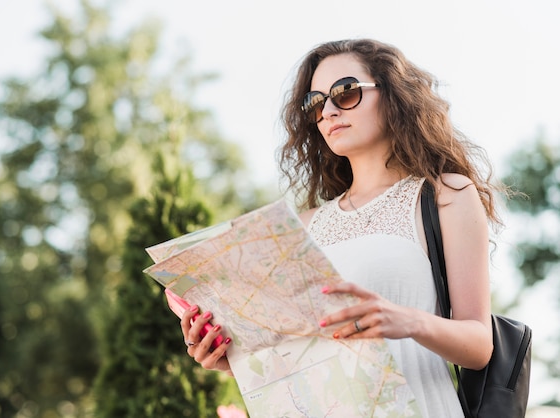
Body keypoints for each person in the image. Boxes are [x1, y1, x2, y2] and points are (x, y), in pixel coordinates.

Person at [181, 38, 506, 417]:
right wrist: (233, 356)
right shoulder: (303, 227)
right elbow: (299, 360)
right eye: (316, 103)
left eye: (346, 92)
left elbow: (480, 346)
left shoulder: (446, 195)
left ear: (394, 96)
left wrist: (408, 320)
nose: (330, 111)